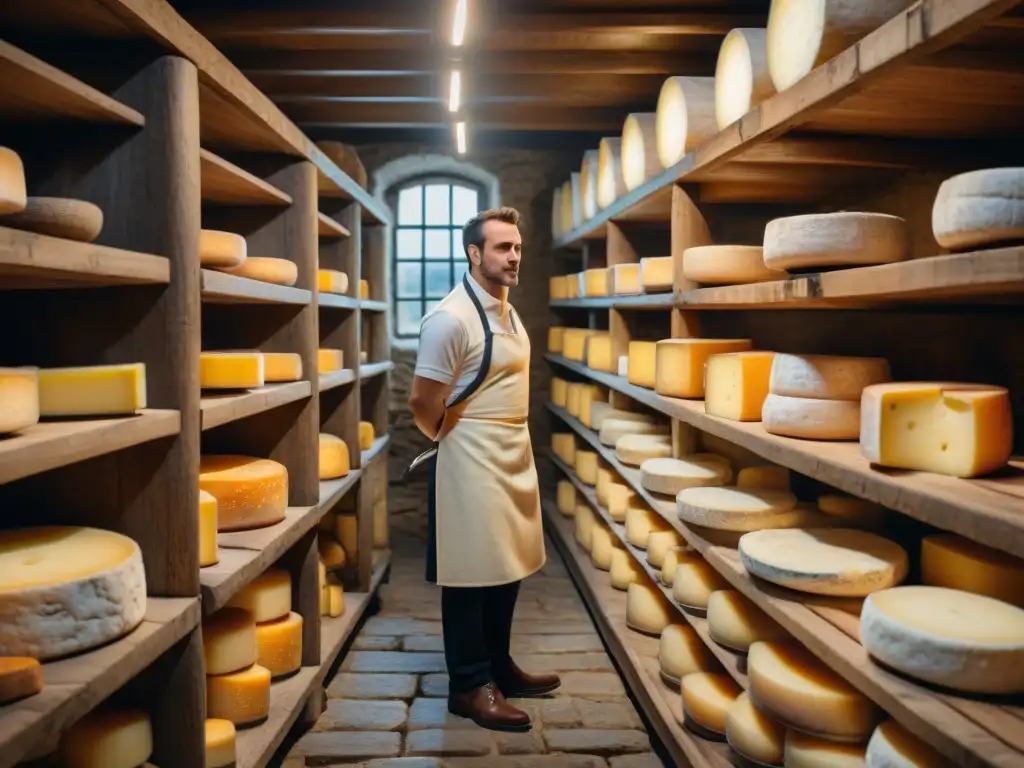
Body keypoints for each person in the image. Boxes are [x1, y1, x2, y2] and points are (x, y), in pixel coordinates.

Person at [407, 206, 558, 732]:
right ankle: (469, 686)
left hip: (512, 448)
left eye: (517, 247)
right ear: (474, 253)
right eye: (502, 247)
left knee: (506, 563)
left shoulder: (506, 310)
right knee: (470, 573)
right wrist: (454, 441)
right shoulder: (451, 318)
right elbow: (423, 401)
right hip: (471, 452)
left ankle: (499, 666)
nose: (514, 256)